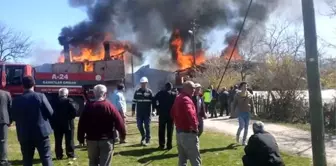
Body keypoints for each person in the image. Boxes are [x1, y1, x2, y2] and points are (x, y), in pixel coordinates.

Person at [77, 84, 126, 166]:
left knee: (92, 162)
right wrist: (122, 135)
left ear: (94, 94)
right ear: (105, 94)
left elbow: (81, 124)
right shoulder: (109, 106)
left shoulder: (88, 107)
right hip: (106, 140)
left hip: (91, 140)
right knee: (105, 163)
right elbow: (119, 122)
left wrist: (81, 139)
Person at [11, 76, 54, 166]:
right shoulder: (40, 96)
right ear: (34, 84)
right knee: (46, 157)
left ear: (22, 85)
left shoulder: (16, 100)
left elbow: (14, 116)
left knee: (27, 159)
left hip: (24, 133)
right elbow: (50, 112)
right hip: (41, 132)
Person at [171, 81, 201, 166]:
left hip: (179, 133)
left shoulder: (178, 97)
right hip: (188, 133)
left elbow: (172, 112)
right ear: (186, 88)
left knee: (182, 159)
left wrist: (177, 123)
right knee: (195, 159)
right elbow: (190, 114)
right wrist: (195, 127)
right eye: (192, 88)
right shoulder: (186, 99)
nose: (194, 90)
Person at [51, 88, 77, 160]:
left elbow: (51, 112)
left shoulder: (54, 101)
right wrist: (70, 117)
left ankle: (59, 155)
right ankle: (70, 154)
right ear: (66, 94)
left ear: (59, 94)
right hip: (68, 123)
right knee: (69, 139)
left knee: (58, 140)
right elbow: (75, 111)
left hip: (57, 124)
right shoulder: (69, 101)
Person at [132, 77, 155, 146]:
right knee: (139, 125)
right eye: (142, 83)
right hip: (139, 113)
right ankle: (143, 136)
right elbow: (134, 102)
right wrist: (133, 110)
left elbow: (153, 102)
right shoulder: (137, 92)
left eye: (144, 83)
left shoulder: (149, 92)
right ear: (140, 83)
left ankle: (148, 139)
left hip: (147, 113)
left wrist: (153, 111)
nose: (143, 84)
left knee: (147, 126)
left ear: (146, 83)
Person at [154, 82, 177, 150]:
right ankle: (169, 145)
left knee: (161, 130)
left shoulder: (160, 93)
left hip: (162, 114)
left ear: (165, 87)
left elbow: (154, 99)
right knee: (170, 131)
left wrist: (157, 107)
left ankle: (162, 145)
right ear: (171, 88)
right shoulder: (173, 94)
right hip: (171, 115)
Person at [0, 89, 11, 166]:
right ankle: (3, 160)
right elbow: (10, 107)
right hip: (3, 119)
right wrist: (10, 120)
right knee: (3, 140)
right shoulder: (6, 94)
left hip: (4, 119)